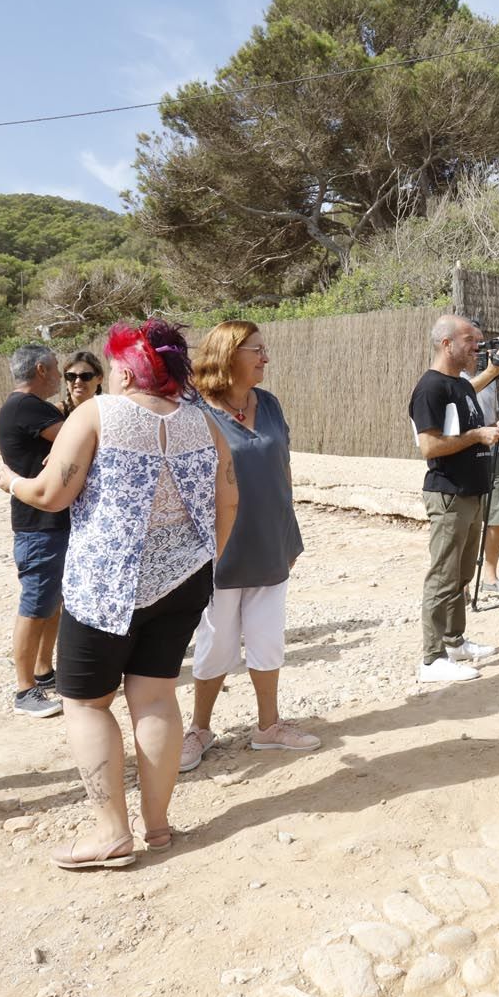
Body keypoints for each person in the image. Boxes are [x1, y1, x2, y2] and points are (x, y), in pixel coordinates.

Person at [0, 320, 236, 869]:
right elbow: (229, 503)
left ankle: (110, 830)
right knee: (155, 697)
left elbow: (52, 495)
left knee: (85, 702)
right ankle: (157, 825)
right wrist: (206, 561)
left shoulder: (96, 414)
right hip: (185, 578)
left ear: (125, 370)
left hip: (107, 583)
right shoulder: (206, 424)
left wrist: (10, 482)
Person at [180, 321, 319, 772]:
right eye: (256, 350)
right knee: (215, 642)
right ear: (228, 354)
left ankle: (269, 726)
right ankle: (199, 729)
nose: (265, 358)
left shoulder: (271, 405)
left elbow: (284, 469)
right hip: (218, 549)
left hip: (270, 539)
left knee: (266, 638)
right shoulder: (195, 411)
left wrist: (289, 528)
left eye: (264, 349)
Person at [409, 315, 499, 682]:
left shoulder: (461, 386)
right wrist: (477, 437)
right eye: (471, 340)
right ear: (446, 344)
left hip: (471, 492)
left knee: (463, 573)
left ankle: (455, 642)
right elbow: (429, 446)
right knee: (443, 574)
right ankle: (431, 658)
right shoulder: (431, 388)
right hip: (448, 494)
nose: (477, 347)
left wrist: (494, 430)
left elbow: (468, 428)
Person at [0, 343, 66, 719]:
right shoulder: (27, 407)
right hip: (39, 525)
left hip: (47, 522)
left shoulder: (27, 408)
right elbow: (82, 442)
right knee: (36, 605)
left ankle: (42, 672)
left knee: (50, 603)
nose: (60, 376)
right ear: (41, 369)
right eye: (56, 368)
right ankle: (24, 689)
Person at [463, 345, 499, 593]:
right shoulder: (452, 379)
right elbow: (462, 395)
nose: (477, 349)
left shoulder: (492, 378)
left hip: (493, 455)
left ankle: (490, 577)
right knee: (466, 521)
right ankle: (462, 583)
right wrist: (492, 372)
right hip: (465, 457)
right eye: (472, 343)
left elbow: (487, 420)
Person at [59, 350, 105, 415]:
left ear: (99, 379)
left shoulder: (107, 412)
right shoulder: (56, 413)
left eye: (85, 376)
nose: (78, 381)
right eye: (71, 376)